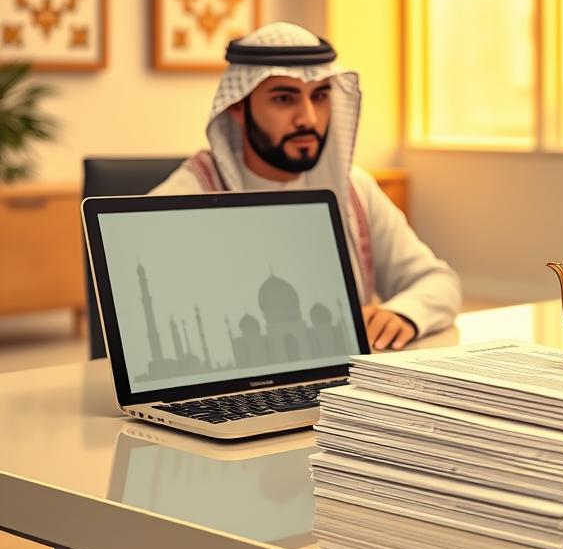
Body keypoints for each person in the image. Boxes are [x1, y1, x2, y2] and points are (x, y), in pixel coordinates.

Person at [152, 21, 461, 350]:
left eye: (320, 96)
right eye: (285, 98)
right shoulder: (191, 192)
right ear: (238, 107)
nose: (309, 118)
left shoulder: (354, 189)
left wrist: (404, 314)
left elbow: (438, 282)